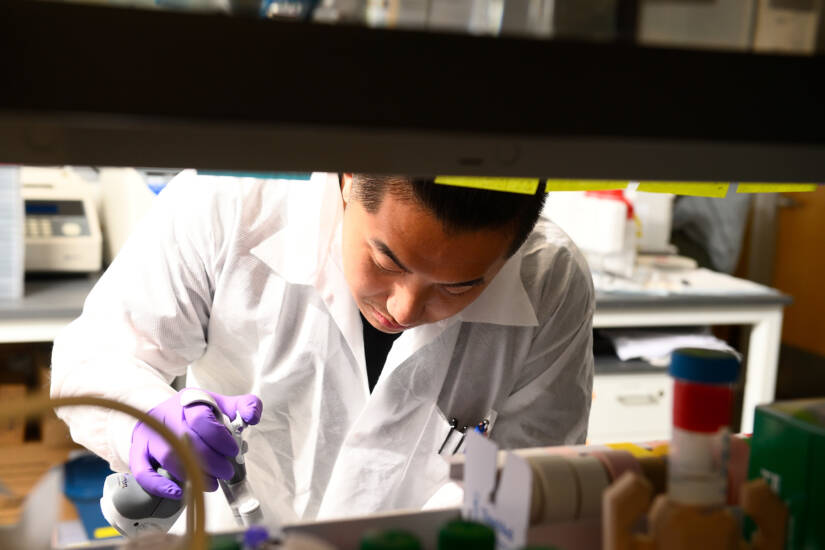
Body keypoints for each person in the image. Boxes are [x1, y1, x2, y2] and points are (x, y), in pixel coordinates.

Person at [50, 172, 594, 527]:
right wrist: (146, 418)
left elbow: (525, 479)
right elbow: (95, 358)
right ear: (348, 179)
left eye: (459, 286)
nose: (403, 310)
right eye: (387, 261)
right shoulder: (224, 205)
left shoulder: (551, 280)